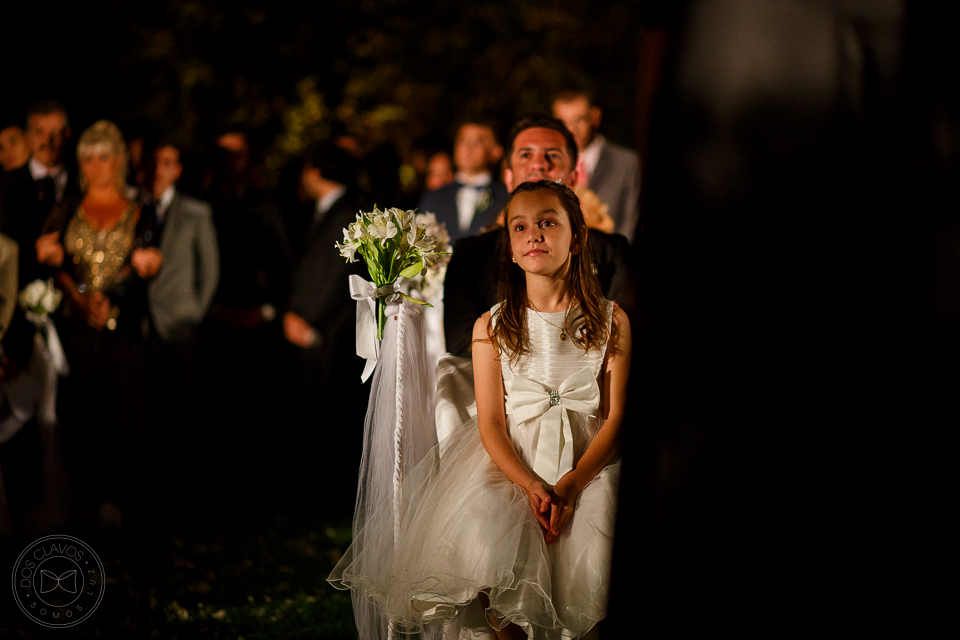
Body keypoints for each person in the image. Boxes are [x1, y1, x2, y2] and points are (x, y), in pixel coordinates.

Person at [331, 180, 631, 640]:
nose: (534, 235)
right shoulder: (492, 325)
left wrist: (569, 486)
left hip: (587, 466)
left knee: (595, 548)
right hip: (516, 466)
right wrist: (531, 484)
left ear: (578, 237)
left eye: (548, 223)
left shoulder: (612, 320)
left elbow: (614, 418)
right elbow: (490, 422)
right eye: (521, 227)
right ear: (509, 248)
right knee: (489, 538)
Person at [36, 120, 163, 530]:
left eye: (103, 157)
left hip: (123, 332)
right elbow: (50, 258)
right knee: (80, 415)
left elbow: (146, 258)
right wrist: (76, 295)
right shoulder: (66, 207)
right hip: (76, 332)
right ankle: (84, 504)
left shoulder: (140, 208)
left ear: (119, 160)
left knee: (124, 414)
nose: (95, 166)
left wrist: (118, 293)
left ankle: (124, 505)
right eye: (87, 158)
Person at [443, 114, 632, 358]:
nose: (539, 164)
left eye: (552, 156)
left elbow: (620, 344)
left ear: (575, 176)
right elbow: (461, 346)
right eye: (526, 155)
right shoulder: (472, 254)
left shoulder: (611, 251)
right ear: (508, 177)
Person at [144, 142, 219, 506]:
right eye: (155, 161)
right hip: (141, 324)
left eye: (168, 163)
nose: (160, 169)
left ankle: (176, 494)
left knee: (180, 410)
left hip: (181, 323)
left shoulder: (196, 212)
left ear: (178, 169)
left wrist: (194, 313)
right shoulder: (135, 207)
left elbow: (211, 272)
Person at [552, 90, 641, 242]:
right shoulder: (549, 165)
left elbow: (632, 221)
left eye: (579, 120)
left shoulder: (626, 163)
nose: (572, 129)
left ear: (595, 117)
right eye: (563, 123)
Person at [419, 121, 509, 243]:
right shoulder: (433, 198)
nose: (468, 147)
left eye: (478, 141)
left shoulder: (506, 198)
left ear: (496, 151)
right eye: (462, 140)